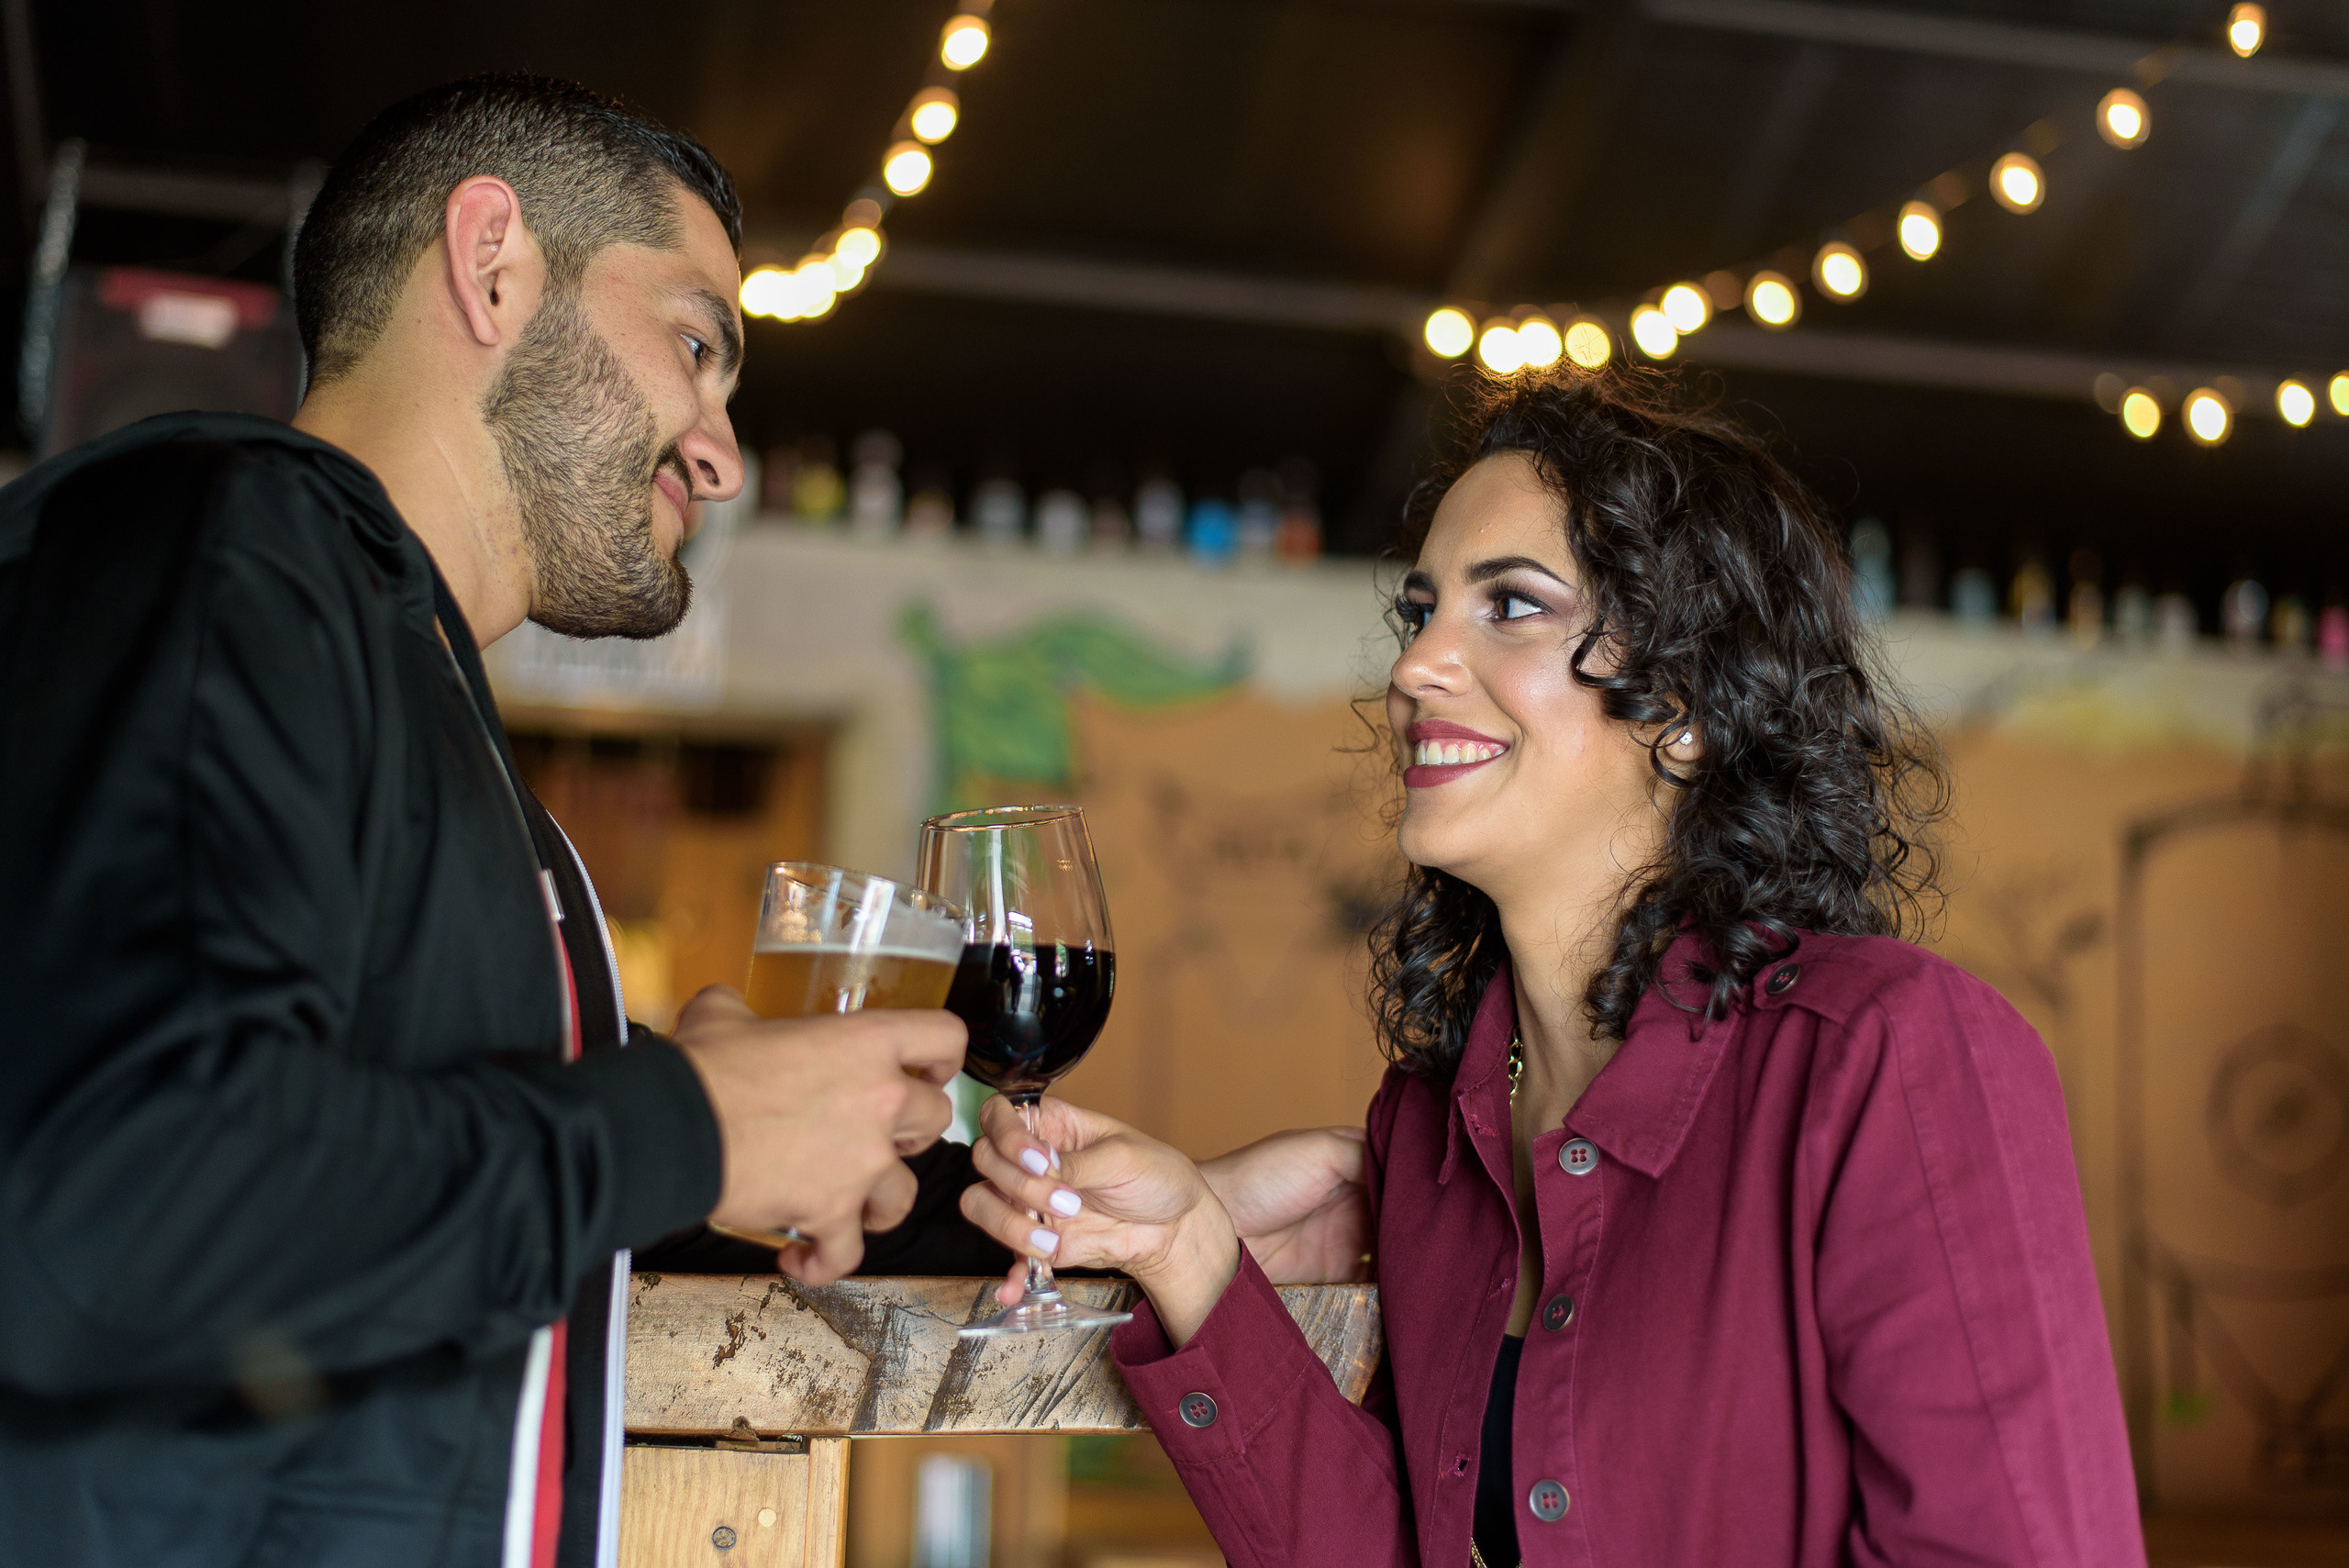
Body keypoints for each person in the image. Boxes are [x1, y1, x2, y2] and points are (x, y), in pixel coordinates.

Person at [0, 77, 970, 1568]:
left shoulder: (412, 685)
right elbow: (119, 1193)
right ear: (493, 260)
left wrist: (1076, 1220)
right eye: (698, 346)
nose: (721, 451)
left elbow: (402, 1186)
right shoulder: (221, 544)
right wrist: (688, 1122)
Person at [957, 370, 2150, 1566]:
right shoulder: (1426, 1134)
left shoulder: (1895, 1061)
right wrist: (1187, 1249)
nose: (1418, 664)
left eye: (1510, 607)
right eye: (1420, 613)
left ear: (1685, 706)